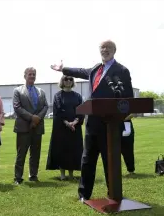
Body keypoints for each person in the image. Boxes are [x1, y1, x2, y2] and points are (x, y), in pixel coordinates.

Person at [50, 40, 134, 202]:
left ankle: (113, 193)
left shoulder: (122, 71)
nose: (105, 50)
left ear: (114, 50)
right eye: (102, 48)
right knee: (87, 159)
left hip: (110, 123)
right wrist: (63, 69)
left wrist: (120, 116)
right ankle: (84, 194)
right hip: (92, 122)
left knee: (109, 159)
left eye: (108, 48)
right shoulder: (96, 68)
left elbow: (128, 96)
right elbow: (81, 71)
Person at [13, 67, 49, 184]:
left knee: (35, 153)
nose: (32, 76)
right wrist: (32, 117)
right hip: (23, 127)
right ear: (25, 76)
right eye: (30, 74)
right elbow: (17, 107)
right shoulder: (18, 91)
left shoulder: (41, 92)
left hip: (37, 127)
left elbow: (45, 106)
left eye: (34, 74)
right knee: (21, 153)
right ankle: (18, 177)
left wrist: (38, 118)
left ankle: (33, 175)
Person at [46, 75, 84, 180]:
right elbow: (58, 111)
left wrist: (75, 122)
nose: (68, 81)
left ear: (73, 81)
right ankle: (62, 174)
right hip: (61, 128)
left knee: (73, 150)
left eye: (70, 79)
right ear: (62, 81)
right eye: (66, 79)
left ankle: (71, 174)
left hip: (74, 128)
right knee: (62, 149)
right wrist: (67, 123)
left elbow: (81, 110)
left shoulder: (77, 96)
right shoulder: (58, 96)